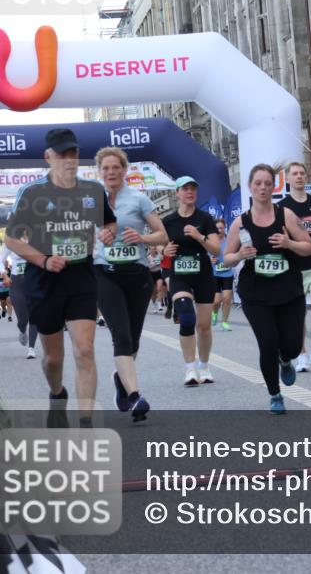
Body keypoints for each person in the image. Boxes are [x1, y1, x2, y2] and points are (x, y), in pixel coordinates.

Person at [4, 128, 118, 427]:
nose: (69, 159)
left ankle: (86, 424)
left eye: (73, 153)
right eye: (62, 154)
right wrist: (43, 260)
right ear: (48, 157)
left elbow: (110, 223)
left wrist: (109, 233)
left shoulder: (92, 191)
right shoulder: (32, 193)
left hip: (81, 277)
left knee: (85, 350)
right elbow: (12, 239)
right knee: (54, 358)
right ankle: (57, 393)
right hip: (44, 281)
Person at [222, 164, 311, 414]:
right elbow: (226, 258)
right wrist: (239, 255)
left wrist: (289, 243)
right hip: (256, 292)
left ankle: (286, 359)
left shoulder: (286, 216)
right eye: (257, 183)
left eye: (267, 183)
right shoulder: (241, 222)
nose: (262, 188)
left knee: (292, 346)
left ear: (273, 187)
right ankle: (275, 394)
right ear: (250, 187)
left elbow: (308, 247)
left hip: (288, 290)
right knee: (267, 343)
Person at [94, 147, 169, 422]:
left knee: (133, 340)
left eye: (116, 167)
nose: (111, 172)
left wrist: (141, 238)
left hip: (136, 275)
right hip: (104, 273)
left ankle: (120, 379)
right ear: (99, 172)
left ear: (124, 170)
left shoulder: (138, 199)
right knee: (122, 336)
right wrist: (95, 239)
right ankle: (135, 396)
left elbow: (163, 235)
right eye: (106, 168)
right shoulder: (90, 202)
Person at [162, 175, 222, 387]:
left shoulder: (205, 219)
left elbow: (216, 249)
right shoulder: (168, 221)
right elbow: (158, 244)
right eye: (185, 188)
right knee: (187, 317)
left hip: (203, 274)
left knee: (204, 327)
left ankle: (204, 366)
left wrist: (199, 236)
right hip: (179, 274)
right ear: (177, 193)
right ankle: (189, 368)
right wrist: (164, 249)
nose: (190, 192)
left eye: (193, 188)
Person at [279, 162, 311, 372]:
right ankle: (301, 354)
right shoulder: (282, 206)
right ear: (288, 179)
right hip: (294, 267)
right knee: (298, 313)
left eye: (302, 173)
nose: (299, 176)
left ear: (306, 177)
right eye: (295, 174)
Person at [1, 247, 38, 358]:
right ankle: (22, 329)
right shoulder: (11, 242)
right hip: (16, 283)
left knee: (34, 316)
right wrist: (5, 275)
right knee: (22, 319)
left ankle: (31, 348)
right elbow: (0, 261)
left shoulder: (37, 240)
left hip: (34, 281)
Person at [210, 219, 235, 332]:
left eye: (221, 228)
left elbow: (234, 253)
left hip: (227, 273)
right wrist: (210, 260)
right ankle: (214, 313)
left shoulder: (229, 241)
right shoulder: (211, 241)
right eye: (217, 228)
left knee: (227, 299)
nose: (219, 230)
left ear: (225, 228)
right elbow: (204, 256)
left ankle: (225, 322)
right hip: (215, 274)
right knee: (216, 301)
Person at [148, 245, 166, 314]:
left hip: (158, 274)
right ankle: (154, 305)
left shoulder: (159, 256)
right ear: (149, 250)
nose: (153, 250)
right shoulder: (148, 258)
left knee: (159, 288)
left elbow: (163, 259)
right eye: (152, 249)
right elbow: (148, 267)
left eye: (154, 249)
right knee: (153, 292)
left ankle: (159, 303)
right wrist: (155, 264)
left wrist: (161, 256)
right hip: (151, 274)